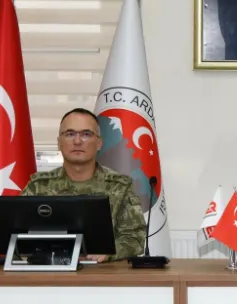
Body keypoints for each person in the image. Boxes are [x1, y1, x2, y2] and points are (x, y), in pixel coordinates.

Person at [20, 108, 146, 262]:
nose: (77, 141)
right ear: (59, 142)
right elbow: (15, 236)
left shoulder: (119, 186)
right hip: (49, 271)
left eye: (86, 134)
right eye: (70, 134)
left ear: (99, 143)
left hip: (102, 272)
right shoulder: (38, 187)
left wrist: (109, 253)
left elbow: (135, 239)